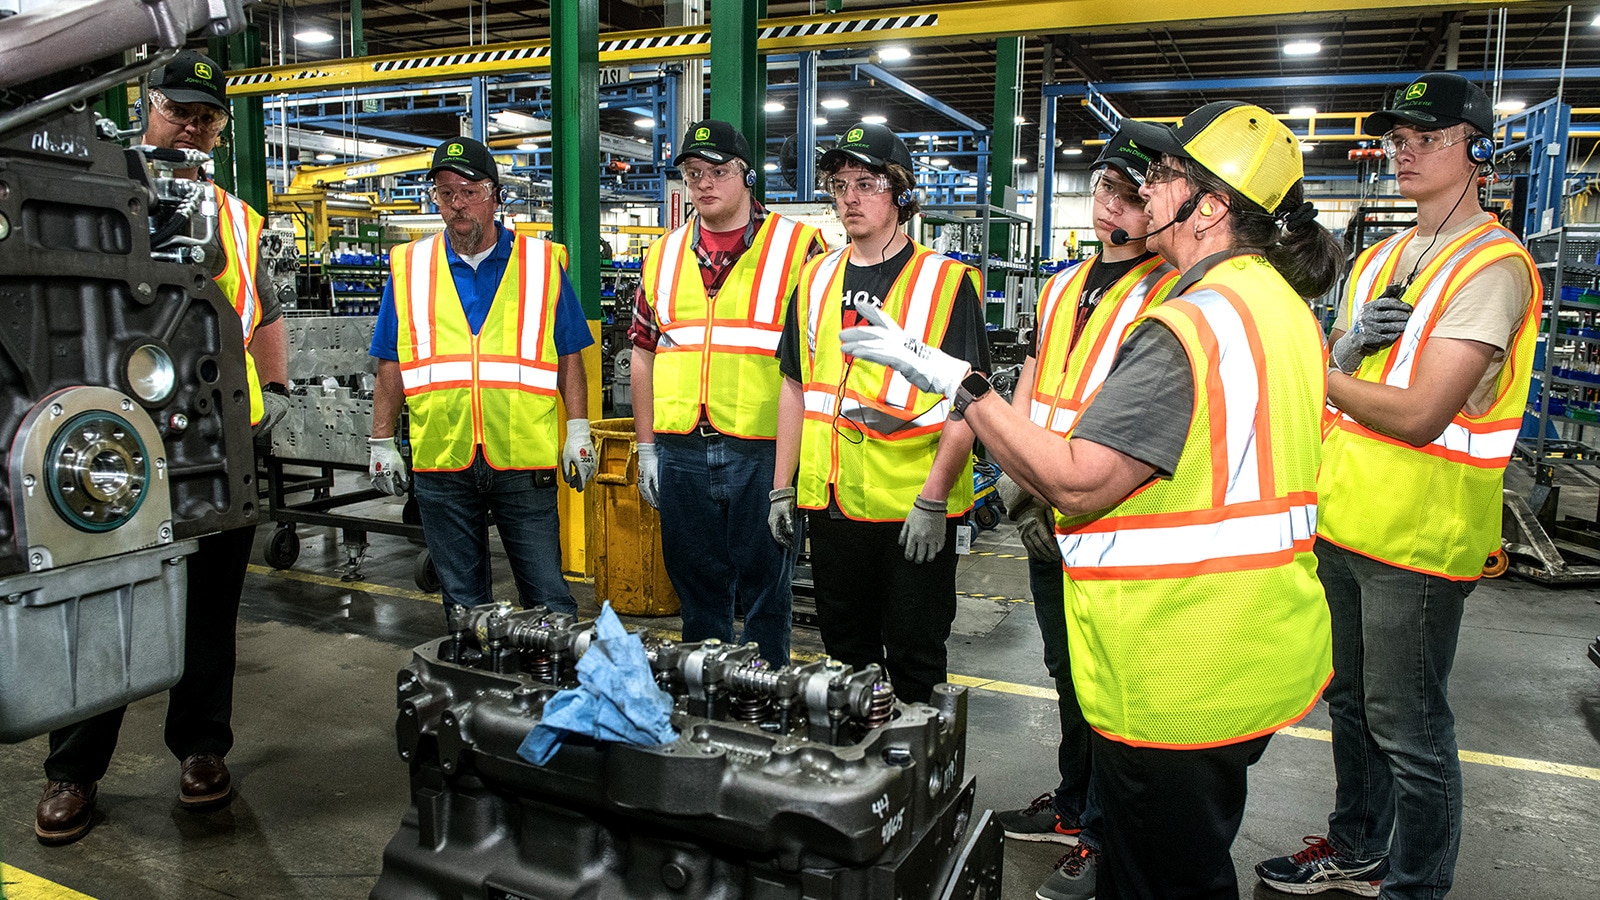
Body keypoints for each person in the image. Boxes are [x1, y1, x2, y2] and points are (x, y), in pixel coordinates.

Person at [840, 102, 1342, 898]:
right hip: (1252, 643)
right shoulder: (1278, 306)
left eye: (1164, 176)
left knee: (1157, 878)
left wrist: (957, 383)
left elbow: (1078, 478)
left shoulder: (1193, 321)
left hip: (1182, 663)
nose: (1146, 189)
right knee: (1191, 864)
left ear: (1208, 207)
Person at [1257, 74, 1538, 900]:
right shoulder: (1382, 253)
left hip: (1418, 535)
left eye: (1428, 134)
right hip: (1343, 518)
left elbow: (1419, 416)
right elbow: (1347, 370)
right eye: (1396, 136)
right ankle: (1357, 849)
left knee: (1410, 730)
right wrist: (1341, 350)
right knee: (1351, 707)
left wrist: (1318, 360)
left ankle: (1417, 884)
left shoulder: (1493, 266)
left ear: (1476, 151)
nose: (1404, 149)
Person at [34, 50, 290, 845]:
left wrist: (272, 397)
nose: (196, 126)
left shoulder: (239, 217)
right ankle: (74, 770)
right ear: (148, 104)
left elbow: (267, 315)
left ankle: (202, 752)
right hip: (112, 442)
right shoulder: (95, 201)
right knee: (105, 600)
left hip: (216, 435)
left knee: (210, 609)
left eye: (209, 117)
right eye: (182, 110)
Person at [993, 120, 1178, 900]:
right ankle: (1073, 806)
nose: (1114, 209)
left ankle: (1103, 834)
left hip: (1112, 514)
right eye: (1105, 188)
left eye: (1132, 194)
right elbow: (1037, 369)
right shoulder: (1067, 282)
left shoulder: (1173, 290)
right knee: (1066, 674)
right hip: (1048, 506)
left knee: (1110, 686)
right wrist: (1017, 468)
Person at [769, 122, 990, 705]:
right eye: (840, 185)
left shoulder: (946, 283)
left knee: (916, 659)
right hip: (833, 505)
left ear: (901, 193)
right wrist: (780, 487)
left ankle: (919, 787)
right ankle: (859, 783)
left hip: (911, 508)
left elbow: (972, 405)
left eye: (866, 184)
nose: (850, 199)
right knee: (847, 663)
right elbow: (795, 385)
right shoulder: (814, 279)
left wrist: (934, 500)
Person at [367, 137, 596, 620]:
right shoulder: (409, 268)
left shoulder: (540, 264)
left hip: (522, 457)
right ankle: (474, 689)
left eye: (469, 191)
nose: (457, 204)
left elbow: (570, 355)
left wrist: (579, 430)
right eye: (445, 192)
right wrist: (381, 441)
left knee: (548, 599)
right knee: (464, 606)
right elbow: (390, 360)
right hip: (442, 457)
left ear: (495, 195)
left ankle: (551, 689)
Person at [629, 120, 825, 667]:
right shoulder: (662, 253)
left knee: (767, 590)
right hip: (682, 445)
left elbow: (818, 357)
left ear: (747, 177)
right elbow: (643, 351)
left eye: (718, 172)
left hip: (762, 447)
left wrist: (795, 466)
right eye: (694, 174)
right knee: (696, 588)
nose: (705, 184)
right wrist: (646, 446)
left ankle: (764, 699)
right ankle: (705, 691)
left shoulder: (799, 246)